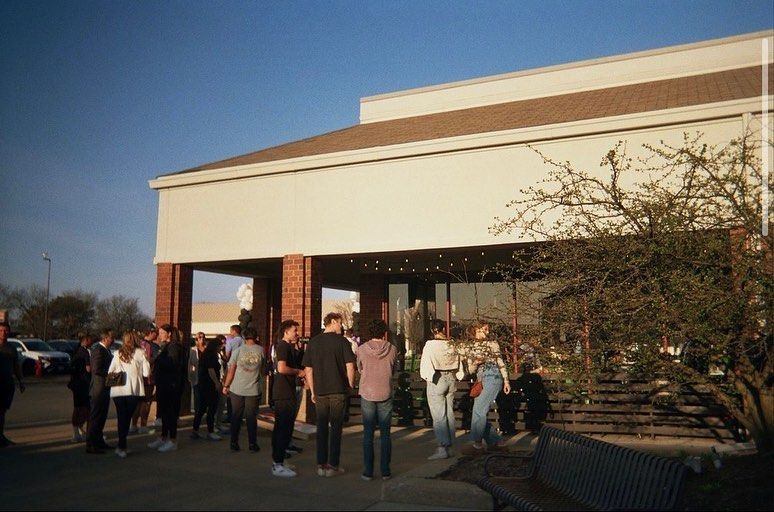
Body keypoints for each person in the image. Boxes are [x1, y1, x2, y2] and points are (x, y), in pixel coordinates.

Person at [302, 312, 356, 477]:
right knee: (336, 428)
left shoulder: (313, 342)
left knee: (322, 427)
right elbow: (350, 365)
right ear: (332, 322)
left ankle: (321, 465)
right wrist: (350, 385)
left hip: (320, 391)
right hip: (338, 390)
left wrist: (312, 389)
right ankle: (333, 464)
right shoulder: (342, 342)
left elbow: (308, 369)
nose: (342, 326)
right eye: (340, 323)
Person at [357, 319, 397, 481]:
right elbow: (393, 369)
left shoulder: (361, 349)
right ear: (384, 332)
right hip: (385, 391)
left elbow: (360, 368)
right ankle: (385, 471)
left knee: (368, 434)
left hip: (367, 391)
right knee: (385, 434)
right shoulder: (392, 349)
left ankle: (368, 471)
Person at [419, 319, 464, 460]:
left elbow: (426, 364)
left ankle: (442, 447)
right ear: (444, 329)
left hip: (437, 378)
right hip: (451, 377)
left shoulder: (430, 345)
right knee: (449, 413)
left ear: (433, 330)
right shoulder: (452, 344)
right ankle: (450, 446)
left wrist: (427, 376)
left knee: (439, 416)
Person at [465, 322, 510, 453]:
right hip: (481, 378)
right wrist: (476, 362)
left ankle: (477, 443)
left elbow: (500, 362)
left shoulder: (492, 344)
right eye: (484, 329)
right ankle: (497, 442)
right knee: (478, 411)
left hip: (493, 376)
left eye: (488, 329)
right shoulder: (471, 347)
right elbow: (470, 369)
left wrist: (506, 380)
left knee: (479, 410)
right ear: (476, 330)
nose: (487, 331)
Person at [271, 319, 306, 477]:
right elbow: (282, 368)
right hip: (283, 393)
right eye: (294, 331)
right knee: (282, 428)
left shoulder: (289, 347)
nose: (297, 334)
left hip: (288, 392)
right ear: (286, 332)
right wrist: (298, 372)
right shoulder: (283, 346)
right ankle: (277, 464)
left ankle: (281, 461)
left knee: (286, 428)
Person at [108, 330, 150, 458]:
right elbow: (146, 373)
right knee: (127, 418)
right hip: (133, 389)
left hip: (118, 389)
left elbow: (110, 371)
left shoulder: (117, 353)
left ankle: (122, 445)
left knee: (122, 417)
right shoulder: (141, 353)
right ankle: (121, 445)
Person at [223, 327, 264, 452]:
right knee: (251, 417)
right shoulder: (261, 350)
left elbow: (231, 370)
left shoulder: (238, 351)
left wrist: (226, 385)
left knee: (236, 416)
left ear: (244, 337)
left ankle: (234, 443)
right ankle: (252, 444)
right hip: (253, 388)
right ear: (256, 336)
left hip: (237, 388)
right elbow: (262, 368)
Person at [148, 324, 186, 452]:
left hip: (171, 384)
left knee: (170, 413)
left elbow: (173, 364)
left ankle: (173, 439)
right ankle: (164, 437)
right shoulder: (165, 346)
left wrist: (157, 360)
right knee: (163, 412)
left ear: (169, 333)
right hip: (163, 383)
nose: (160, 335)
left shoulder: (174, 346)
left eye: (162, 332)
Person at [86, 328, 115, 454]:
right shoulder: (98, 350)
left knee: (102, 416)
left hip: (104, 388)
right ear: (105, 338)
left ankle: (99, 441)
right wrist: (111, 375)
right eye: (111, 338)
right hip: (98, 389)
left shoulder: (106, 350)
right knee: (95, 417)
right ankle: (91, 444)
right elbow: (96, 369)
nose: (113, 340)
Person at [191, 337, 222, 441]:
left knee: (201, 408)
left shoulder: (205, 354)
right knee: (212, 408)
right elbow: (211, 370)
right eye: (220, 346)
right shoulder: (212, 356)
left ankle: (195, 430)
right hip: (209, 384)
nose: (221, 348)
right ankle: (210, 431)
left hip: (202, 384)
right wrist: (217, 383)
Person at [131, 325, 160, 434]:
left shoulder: (137, 345)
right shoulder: (149, 346)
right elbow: (148, 361)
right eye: (155, 332)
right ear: (150, 332)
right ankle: (143, 425)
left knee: (137, 403)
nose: (157, 334)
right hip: (148, 378)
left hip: (138, 378)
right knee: (146, 402)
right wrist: (156, 357)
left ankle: (133, 425)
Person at [0, 321, 25, 447]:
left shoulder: (12, 349)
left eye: (5, 331)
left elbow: (16, 366)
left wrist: (21, 381)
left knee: (2, 411)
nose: (3, 333)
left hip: (7, 384)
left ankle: (1, 436)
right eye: (1, 331)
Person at [67, 332, 93, 443]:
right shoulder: (85, 352)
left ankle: (77, 432)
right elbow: (88, 369)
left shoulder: (75, 350)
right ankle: (81, 431)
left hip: (75, 383)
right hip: (83, 384)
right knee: (86, 409)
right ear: (86, 340)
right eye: (90, 339)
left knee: (77, 407)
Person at [223, 324, 244, 424]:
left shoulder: (230, 341)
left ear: (234, 331)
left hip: (232, 366)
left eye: (231, 331)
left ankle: (231, 415)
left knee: (230, 392)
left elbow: (227, 356)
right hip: (243, 367)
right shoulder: (244, 341)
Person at [188, 332, 206, 417]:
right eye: (199, 337)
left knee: (205, 394)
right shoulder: (192, 350)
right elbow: (190, 363)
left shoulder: (207, 349)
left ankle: (203, 411)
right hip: (196, 374)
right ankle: (197, 412)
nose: (201, 339)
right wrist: (190, 375)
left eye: (203, 337)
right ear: (196, 340)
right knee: (197, 394)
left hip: (206, 375)